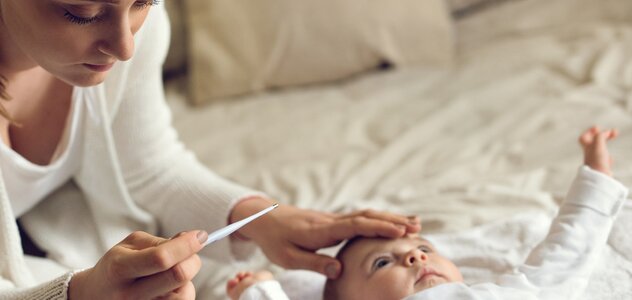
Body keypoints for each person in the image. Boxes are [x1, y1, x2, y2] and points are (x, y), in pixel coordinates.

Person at [0, 1, 422, 299]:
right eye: (83, 12)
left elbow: (148, 167)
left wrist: (261, 219)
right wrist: (76, 296)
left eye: (145, 1)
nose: (125, 46)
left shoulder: (127, 30)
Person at [225, 126, 629, 300]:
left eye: (425, 248)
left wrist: (596, 176)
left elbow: (567, 253)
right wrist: (258, 290)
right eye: (382, 263)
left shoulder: (504, 292)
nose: (415, 256)